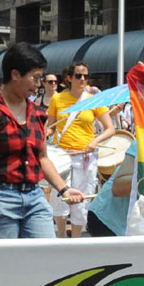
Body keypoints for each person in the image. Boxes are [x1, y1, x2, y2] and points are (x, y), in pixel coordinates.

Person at [0, 43, 83, 239]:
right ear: (15, 75)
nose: (38, 84)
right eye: (35, 78)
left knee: (45, 261)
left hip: (34, 196)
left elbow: (43, 158)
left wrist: (64, 189)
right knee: (5, 266)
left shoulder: (38, 113)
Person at [47, 63, 116, 238]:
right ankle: (61, 237)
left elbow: (110, 128)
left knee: (81, 200)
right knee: (59, 198)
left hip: (85, 156)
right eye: (78, 76)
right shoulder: (57, 99)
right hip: (62, 155)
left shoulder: (94, 100)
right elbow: (51, 127)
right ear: (69, 78)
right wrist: (44, 132)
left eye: (86, 76)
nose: (83, 79)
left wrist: (95, 141)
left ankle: (76, 240)